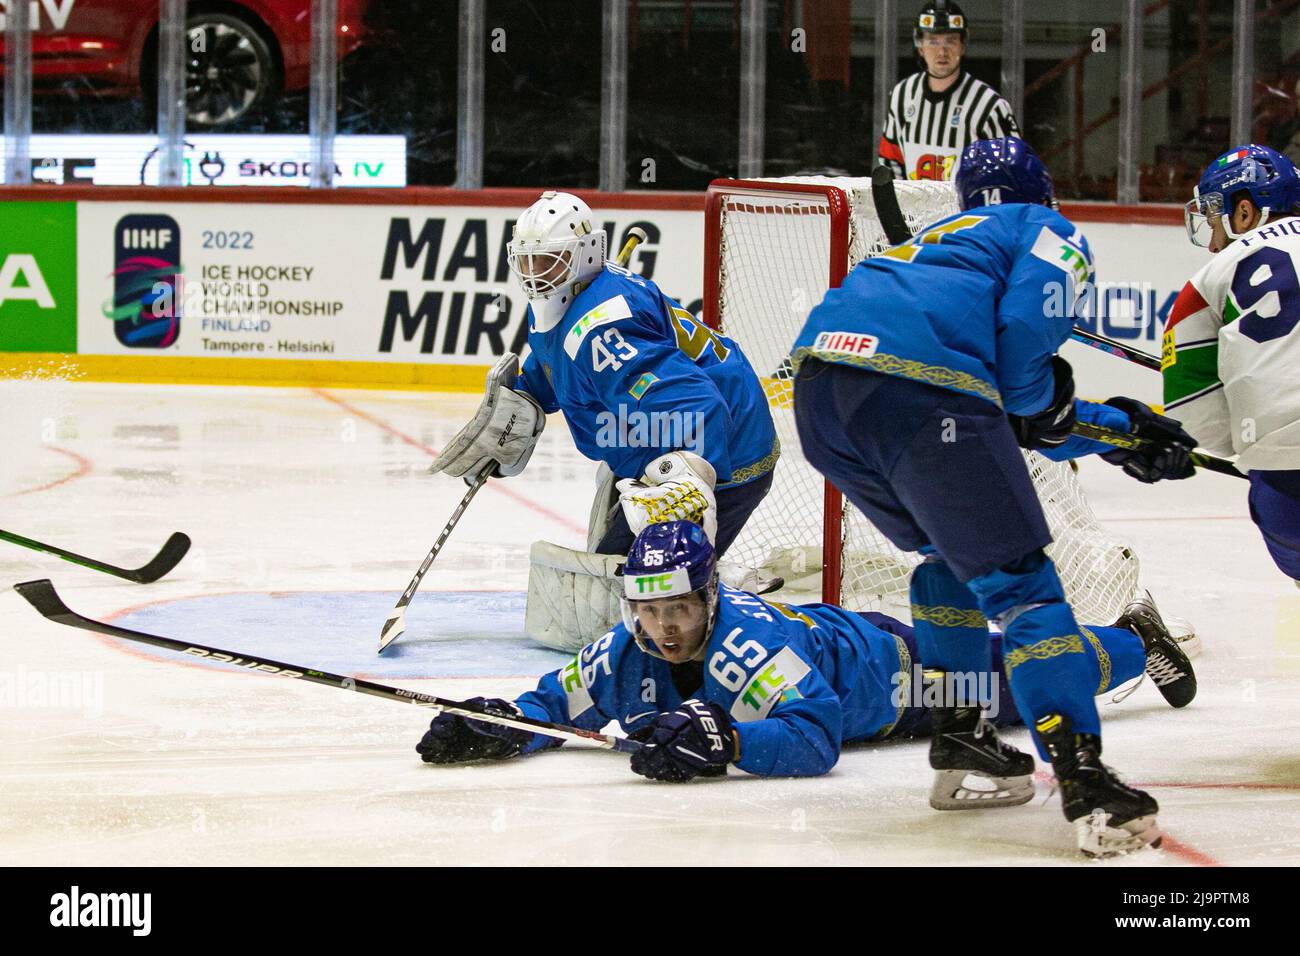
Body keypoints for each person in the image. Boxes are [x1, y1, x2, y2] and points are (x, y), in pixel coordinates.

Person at [787, 137, 1200, 857]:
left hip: (825, 399)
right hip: (921, 398)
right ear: (1043, 192)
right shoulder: (1044, 230)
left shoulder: (939, 244)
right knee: (1025, 589)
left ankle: (962, 739)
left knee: (950, 564)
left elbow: (1014, 412)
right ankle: (1086, 781)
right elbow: (1021, 386)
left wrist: (1120, 433)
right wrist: (1106, 421)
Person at [415, 522, 1196, 829]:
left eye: (682, 607)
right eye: (650, 611)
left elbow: (816, 736)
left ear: (710, 598)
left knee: (1031, 677)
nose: (666, 627)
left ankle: (1135, 636)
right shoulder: (626, 652)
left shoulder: (743, 645)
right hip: (854, 659)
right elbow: (558, 704)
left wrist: (727, 744)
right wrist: (501, 725)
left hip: (902, 679)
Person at [430, 191, 779, 650]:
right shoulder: (569, 300)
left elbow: (698, 404)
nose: (536, 276)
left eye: (550, 262)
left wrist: (687, 482)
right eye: (528, 262)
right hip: (653, 438)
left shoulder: (601, 326)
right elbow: (565, 360)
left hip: (723, 448)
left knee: (648, 600)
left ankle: (723, 610)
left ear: (585, 255)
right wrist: (527, 395)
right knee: (611, 584)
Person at [1175, 144, 1300, 583]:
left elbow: (1192, 407)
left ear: (1243, 212)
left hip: (1286, 485)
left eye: (1214, 223)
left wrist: (1247, 444)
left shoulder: (1209, 279)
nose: (1212, 243)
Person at [877, 1, 1020, 182]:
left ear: (963, 45)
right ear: (920, 46)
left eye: (950, 41)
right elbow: (890, 161)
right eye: (933, 41)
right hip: (913, 210)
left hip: (969, 211)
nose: (942, 52)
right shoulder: (902, 95)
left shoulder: (990, 106)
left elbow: (1015, 172)